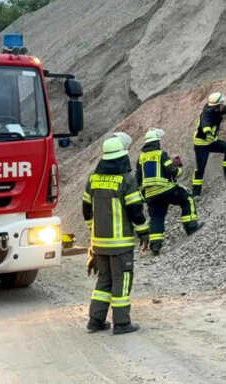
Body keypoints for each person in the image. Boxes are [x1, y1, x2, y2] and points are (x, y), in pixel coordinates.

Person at [82, 136, 149, 335]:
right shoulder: (126, 180)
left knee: (104, 281)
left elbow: (86, 209)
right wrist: (144, 232)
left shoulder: (92, 180)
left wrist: (92, 232)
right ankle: (121, 323)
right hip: (120, 245)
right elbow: (135, 210)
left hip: (99, 244)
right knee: (122, 281)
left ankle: (95, 321)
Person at [137, 128, 203, 255]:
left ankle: (155, 246)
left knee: (156, 217)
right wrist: (178, 167)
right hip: (166, 189)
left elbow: (138, 178)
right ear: (157, 142)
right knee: (187, 198)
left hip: (150, 195)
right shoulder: (161, 154)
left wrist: (144, 194)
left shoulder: (141, 158)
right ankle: (191, 226)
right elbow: (171, 171)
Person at [191, 92, 226, 196]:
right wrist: (208, 132)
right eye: (222, 103)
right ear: (217, 105)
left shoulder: (217, 109)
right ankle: (195, 193)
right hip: (201, 145)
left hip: (211, 142)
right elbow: (205, 124)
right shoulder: (207, 113)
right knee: (200, 169)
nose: (223, 105)